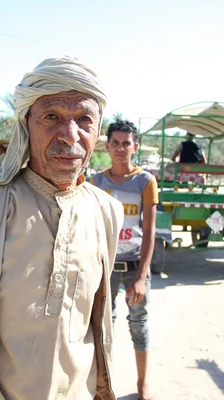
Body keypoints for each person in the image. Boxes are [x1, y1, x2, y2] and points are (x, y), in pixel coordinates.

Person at [0, 56, 123, 399]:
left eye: (84, 119)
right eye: (51, 117)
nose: (69, 136)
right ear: (26, 123)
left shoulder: (106, 212)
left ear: (98, 129)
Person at [91, 120, 157, 400]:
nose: (120, 148)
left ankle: (142, 384)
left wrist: (141, 277)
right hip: (104, 269)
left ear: (135, 147)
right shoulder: (96, 182)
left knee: (138, 324)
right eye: (115, 143)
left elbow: (150, 232)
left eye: (125, 143)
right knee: (102, 327)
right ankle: (103, 386)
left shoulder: (145, 181)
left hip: (133, 266)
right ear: (107, 146)